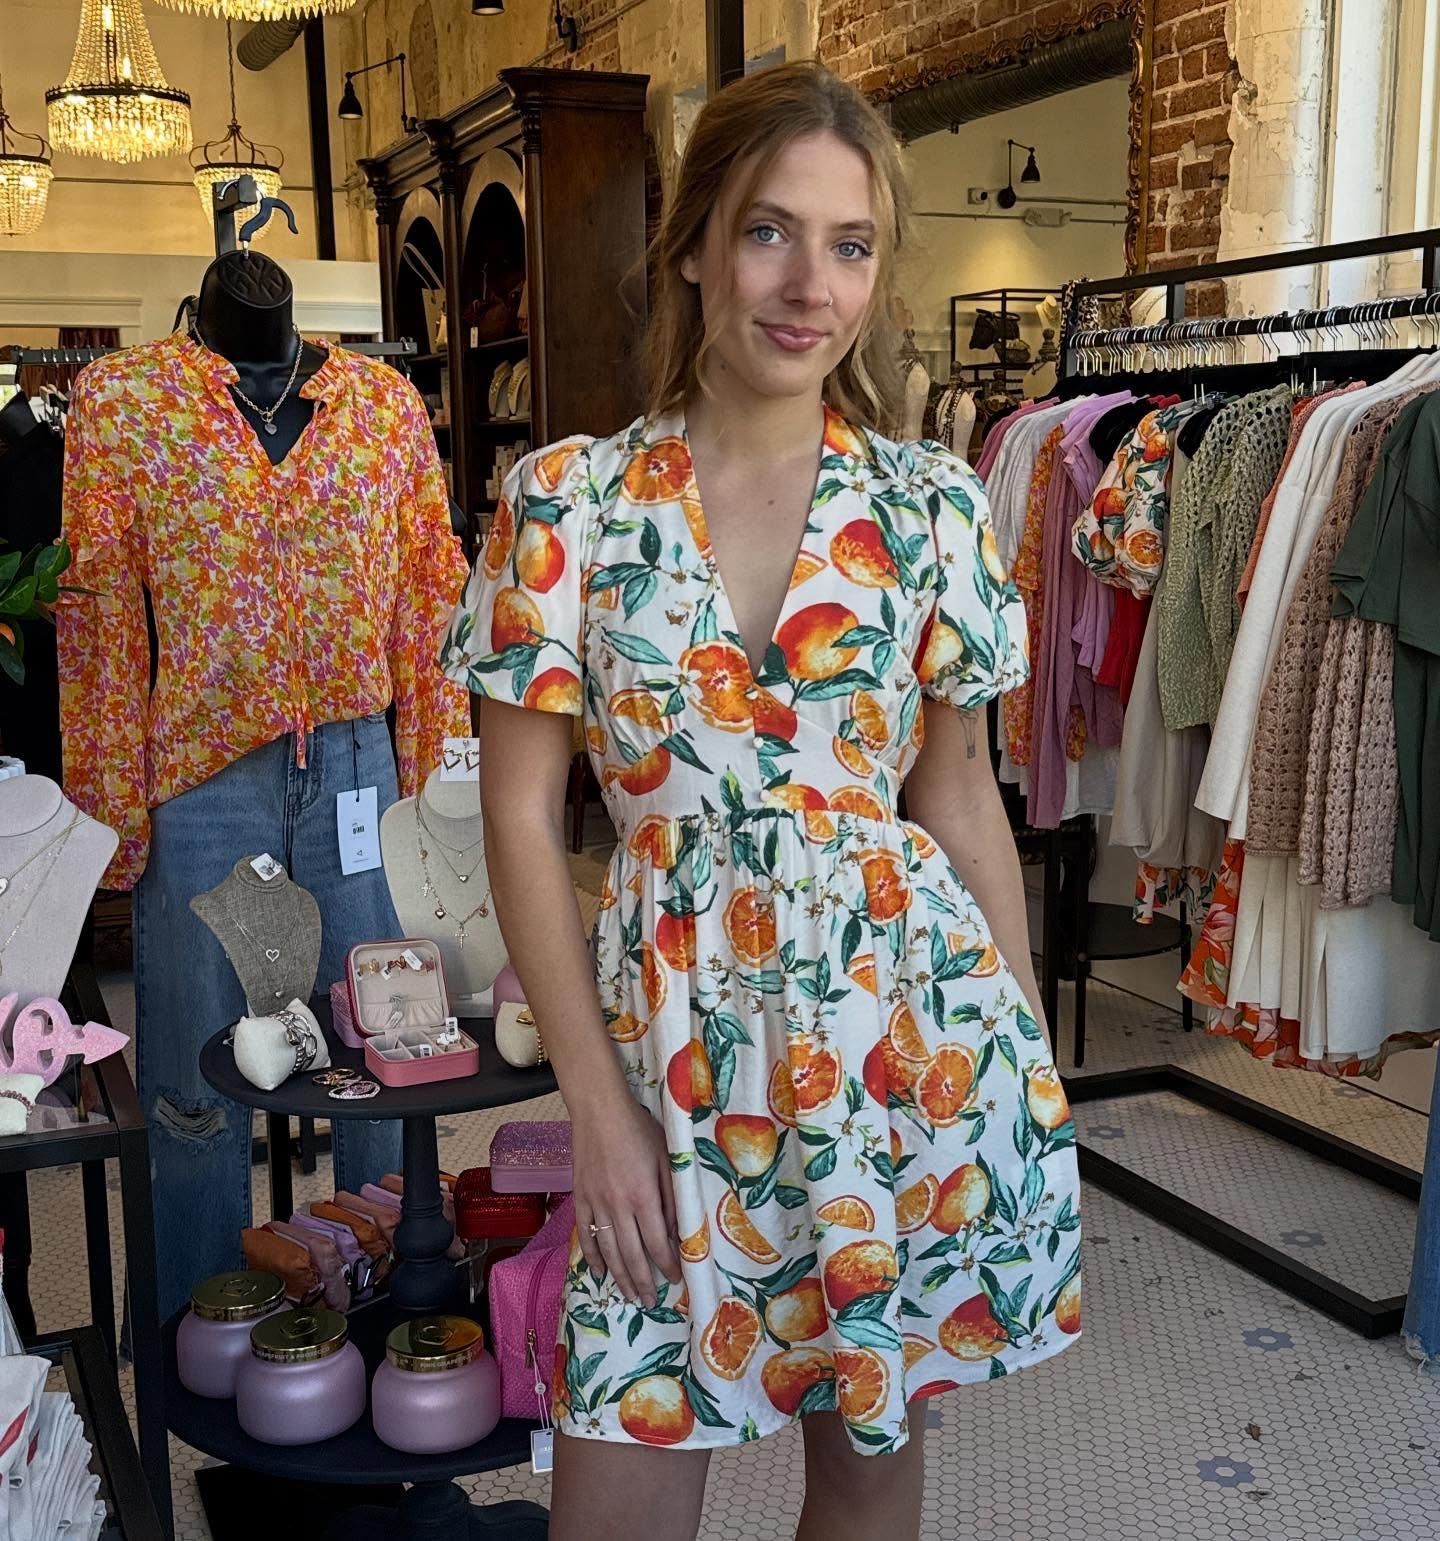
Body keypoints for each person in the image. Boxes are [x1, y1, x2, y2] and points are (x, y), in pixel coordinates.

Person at [442, 59, 1082, 1541]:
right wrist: (588, 1099)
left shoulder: (930, 507)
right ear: (689, 244)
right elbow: (522, 819)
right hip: (667, 1063)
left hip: (903, 1048)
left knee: (865, 1458)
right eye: (768, 231)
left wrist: (1025, 1077)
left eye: (850, 245)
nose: (810, 285)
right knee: (623, 1464)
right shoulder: (569, 505)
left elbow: (960, 799)